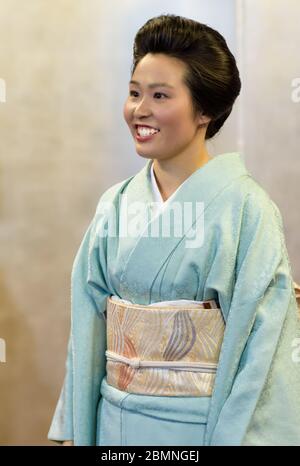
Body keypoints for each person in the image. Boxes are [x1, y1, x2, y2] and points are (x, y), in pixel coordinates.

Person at [48, 14, 300, 446]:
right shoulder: (116, 205)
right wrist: (75, 429)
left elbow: (264, 349)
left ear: (206, 109)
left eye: (160, 95)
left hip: (201, 430)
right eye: (133, 93)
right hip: (115, 423)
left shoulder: (247, 209)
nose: (139, 110)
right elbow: (87, 328)